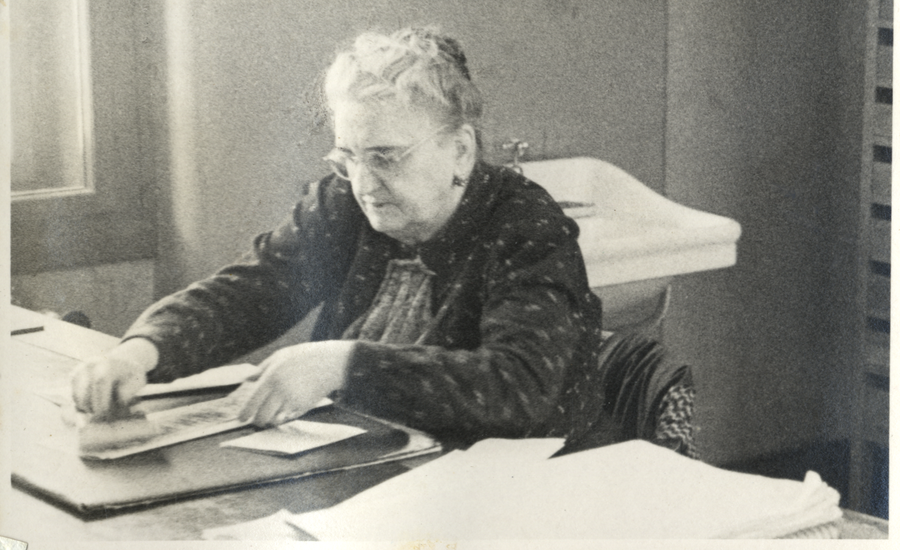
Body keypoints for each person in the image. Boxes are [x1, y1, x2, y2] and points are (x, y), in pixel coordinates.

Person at [71, 27, 694, 454]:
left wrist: (342, 363)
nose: (364, 184)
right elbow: (252, 289)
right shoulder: (344, 202)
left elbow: (517, 386)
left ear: (460, 150)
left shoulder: (524, 225)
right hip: (384, 470)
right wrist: (141, 351)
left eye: (386, 157)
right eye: (348, 157)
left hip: (523, 489)